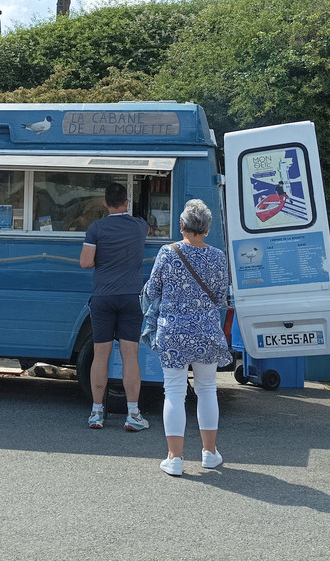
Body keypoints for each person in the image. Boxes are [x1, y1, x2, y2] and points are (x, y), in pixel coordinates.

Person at [144, 198, 231, 476]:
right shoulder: (217, 256)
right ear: (207, 228)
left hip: (173, 333)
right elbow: (221, 297)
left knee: (174, 391)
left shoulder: (167, 253)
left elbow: (152, 290)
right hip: (206, 332)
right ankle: (209, 453)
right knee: (207, 389)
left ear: (181, 225)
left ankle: (175, 458)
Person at [79, 182, 150, 431]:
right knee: (130, 355)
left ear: (105, 203)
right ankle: (133, 414)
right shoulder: (140, 226)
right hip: (131, 297)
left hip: (103, 297)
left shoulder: (96, 228)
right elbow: (148, 232)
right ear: (127, 203)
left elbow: (85, 262)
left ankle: (97, 413)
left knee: (101, 355)